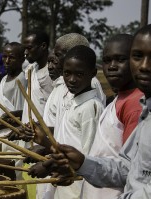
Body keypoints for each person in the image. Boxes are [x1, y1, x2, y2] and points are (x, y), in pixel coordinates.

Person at [44, 23, 151, 198]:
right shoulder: (150, 106)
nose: (143, 66)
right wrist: (83, 163)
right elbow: (128, 168)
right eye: (137, 56)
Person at [26, 45, 104, 199]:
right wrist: (45, 149)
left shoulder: (90, 107)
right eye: (67, 74)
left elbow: (87, 157)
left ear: (93, 73)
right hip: (64, 179)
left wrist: (47, 160)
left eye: (79, 74)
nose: (72, 80)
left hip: (77, 185)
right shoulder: (73, 102)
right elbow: (66, 142)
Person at [82, 34, 143, 199]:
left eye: (120, 59)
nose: (112, 66)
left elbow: (132, 168)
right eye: (107, 60)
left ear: (136, 61)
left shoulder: (135, 104)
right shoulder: (120, 98)